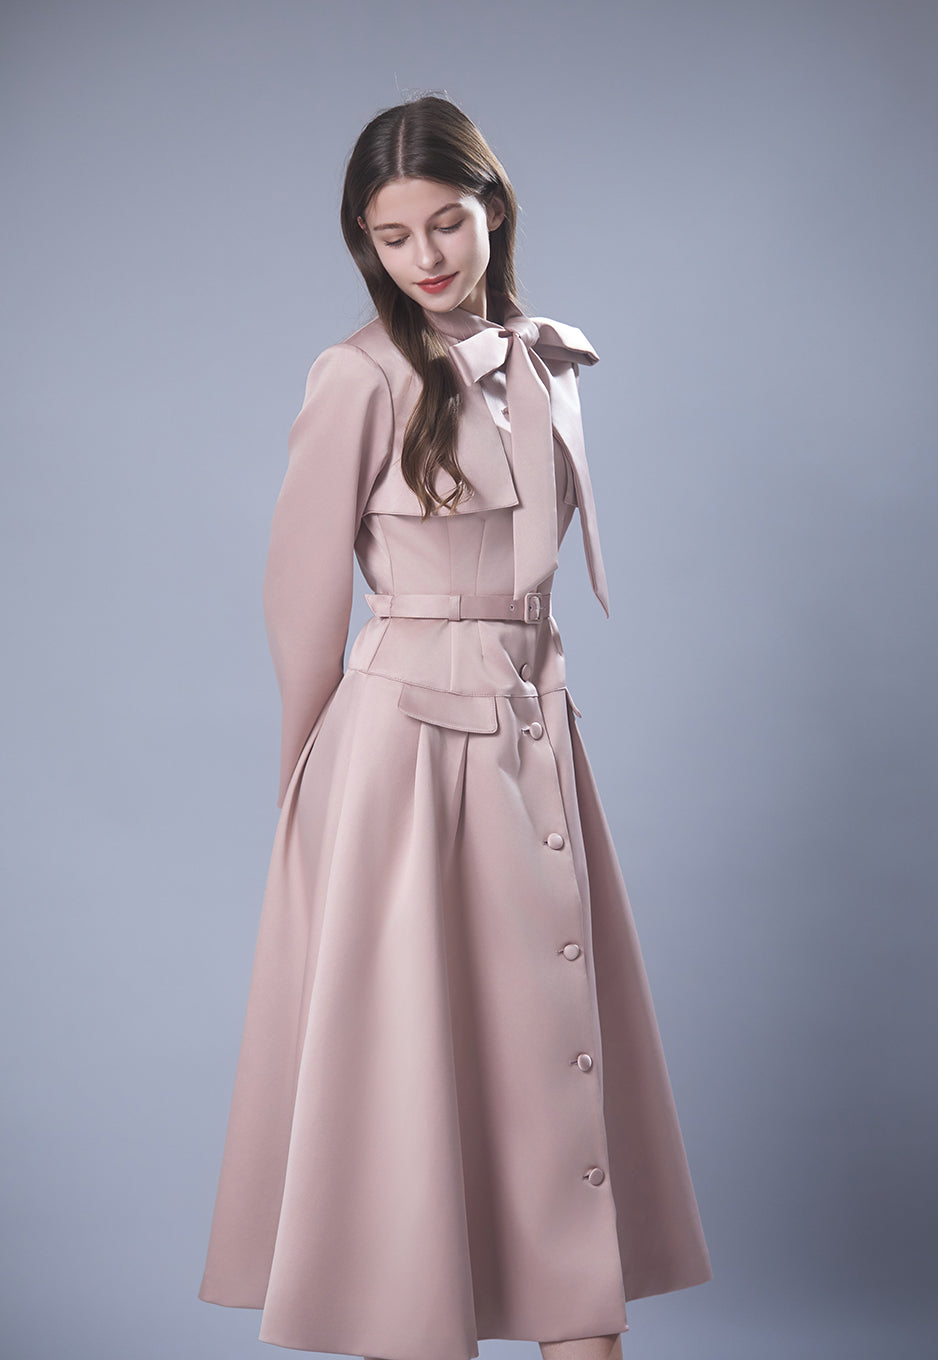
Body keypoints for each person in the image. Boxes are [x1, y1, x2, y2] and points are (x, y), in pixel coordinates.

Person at [198, 93, 712, 1360]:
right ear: (363, 245)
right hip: (401, 755)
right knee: (408, 1076)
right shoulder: (356, 376)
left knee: (545, 1053)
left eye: (445, 222)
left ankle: (573, 1317)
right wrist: (303, 801)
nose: (423, 256)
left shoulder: (542, 359)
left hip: (533, 730)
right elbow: (300, 605)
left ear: (494, 210)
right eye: (391, 236)